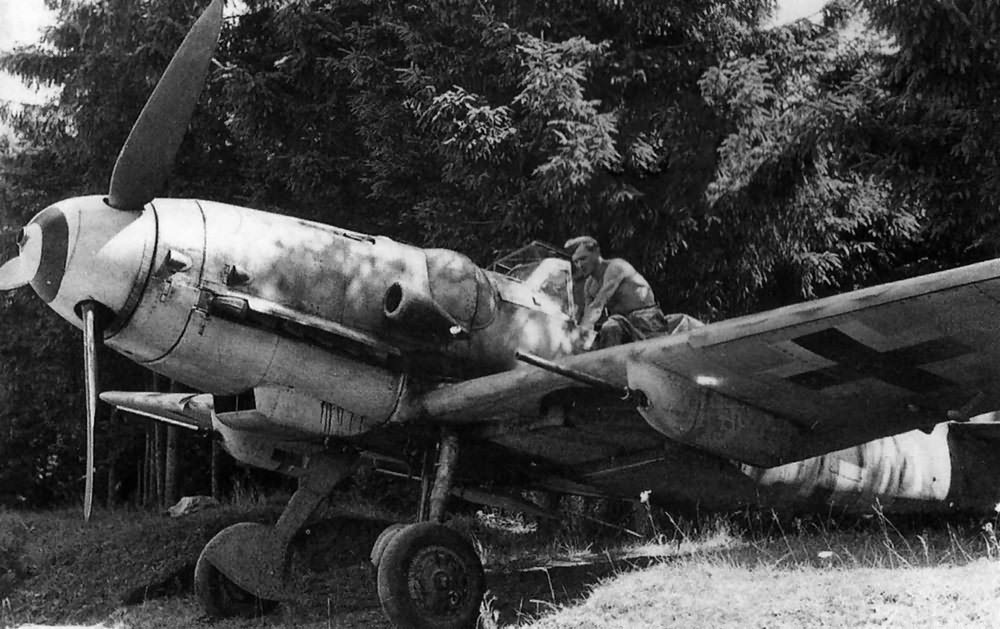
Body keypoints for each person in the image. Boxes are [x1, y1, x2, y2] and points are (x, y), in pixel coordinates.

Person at [564, 236, 702, 349]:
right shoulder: (589, 285)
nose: (580, 265)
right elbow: (589, 313)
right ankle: (610, 370)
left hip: (646, 319)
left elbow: (599, 304)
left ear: (596, 253)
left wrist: (580, 334)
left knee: (656, 351)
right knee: (610, 327)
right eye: (576, 262)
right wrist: (580, 334)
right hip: (623, 321)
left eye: (583, 258)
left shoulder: (615, 267)